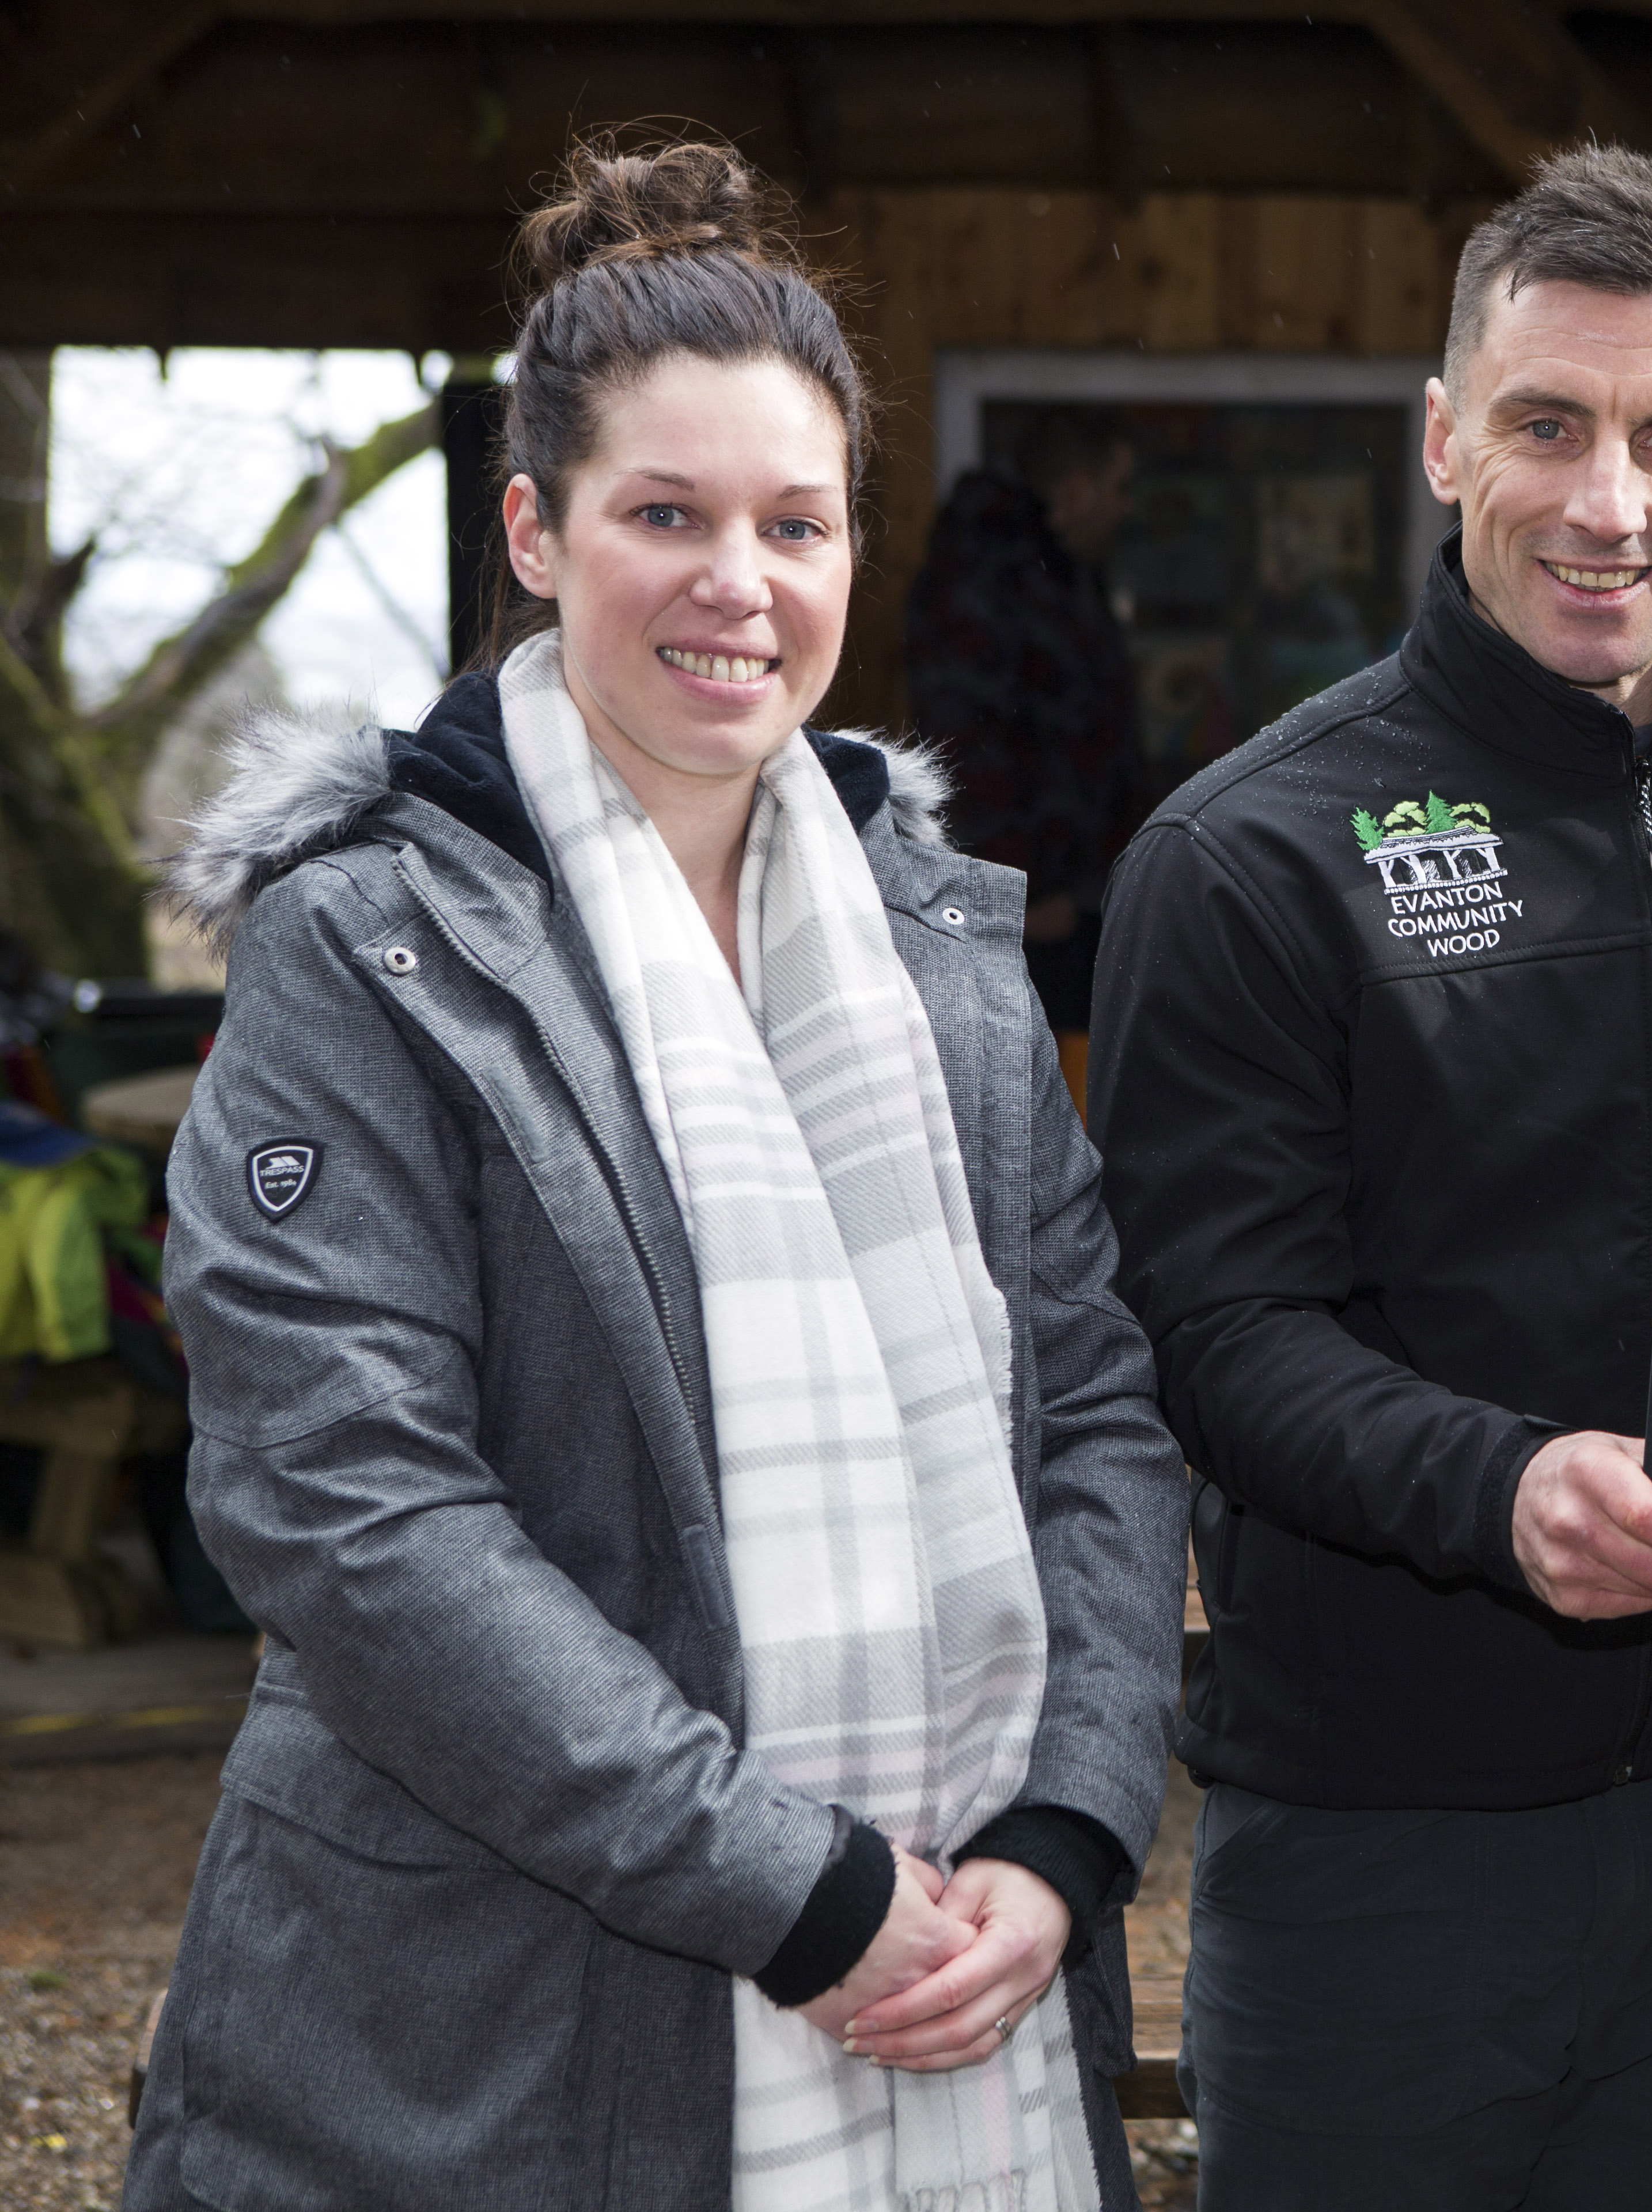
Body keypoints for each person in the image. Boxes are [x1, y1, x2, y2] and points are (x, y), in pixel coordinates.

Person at [129, 138, 1184, 2212]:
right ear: (533, 531)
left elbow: (1098, 1415)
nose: (741, 584)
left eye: (796, 524)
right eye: (665, 517)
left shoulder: (947, 950)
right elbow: (348, 1507)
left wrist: (1065, 1833)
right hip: (494, 2042)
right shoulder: (365, 947)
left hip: (975, 1970)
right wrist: (793, 1890)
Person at [1086, 145, 1652, 2209]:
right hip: (1377, 1848)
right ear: (1440, 442)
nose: (1608, 502)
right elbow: (1214, 1331)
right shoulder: (1250, 854)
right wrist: (1491, 1488)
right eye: (1547, 426)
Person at [904, 408, 1142, 1038]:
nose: (1127, 510)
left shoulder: (1058, 573)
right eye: (1119, 488)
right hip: (1025, 922)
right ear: (1075, 492)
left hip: (1069, 902)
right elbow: (960, 742)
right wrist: (1022, 896)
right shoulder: (987, 577)